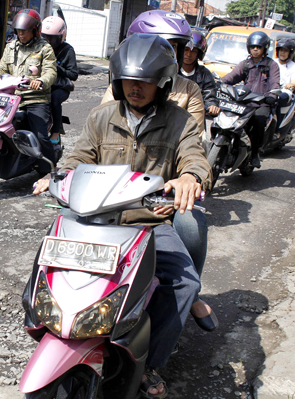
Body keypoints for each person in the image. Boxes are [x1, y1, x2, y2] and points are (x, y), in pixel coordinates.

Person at [34, 33, 212, 399]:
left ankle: (150, 362)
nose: (136, 88)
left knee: (183, 285)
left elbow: (195, 157)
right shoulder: (101, 117)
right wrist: (58, 176)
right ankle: (53, 331)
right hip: (94, 220)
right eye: (130, 80)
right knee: (45, 267)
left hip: (148, 223)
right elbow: (78, 158)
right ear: (117, 80)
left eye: (146, 81)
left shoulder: (180, 122)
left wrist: (190, 178)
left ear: (162, 83)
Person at [100, 10, 216, 333]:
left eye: (172, 47)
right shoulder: (120, 91)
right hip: (113, 197)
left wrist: (188, 178)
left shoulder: (188, 93)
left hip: (160, 199)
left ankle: (187, 290)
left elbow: (193, 148)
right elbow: (95, 140)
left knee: (191, 225)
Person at [0, 9, 57, 173]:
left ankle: (49, 171)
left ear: (35, 30)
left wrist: (40, 81)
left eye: (25, 31)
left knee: (40, 134)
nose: (21, 34)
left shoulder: (44, 48)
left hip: (36, 98)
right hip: (11, 96)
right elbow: (1, 67)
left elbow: (50, 72)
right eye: (19, 31)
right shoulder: (11, 46)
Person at [101, 10, 206, 134]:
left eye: (174, 47)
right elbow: (101, 128)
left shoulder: (189, 90)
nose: (169, 53)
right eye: (161, 47)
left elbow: (194, 139)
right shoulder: (120, 86)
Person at [221, 31, 280, 168]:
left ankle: (255, 152)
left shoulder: (272, 65)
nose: (255, 49)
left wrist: (272, 96)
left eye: (258, 47)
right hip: (244, 101)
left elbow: (275, 82)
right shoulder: (245, 64)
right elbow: (232, 76)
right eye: (253, 47)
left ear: (264, 48)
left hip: (262, 103)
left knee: (259, 121)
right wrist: (218, 83)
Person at [41, 16, 78, 148]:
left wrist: (57, 68)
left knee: (54, 99)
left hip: (59, 87)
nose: (49, 42)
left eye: (52, 38)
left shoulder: (67, 50)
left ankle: (55, 132)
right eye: (45, 37)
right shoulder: (39, 47)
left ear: (62, 36)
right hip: (42, 84)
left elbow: (73, 74)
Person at [180, 31, 220, 117]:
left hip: (194, 117)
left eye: (193, 51)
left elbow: (210, 95)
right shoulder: (171, 70)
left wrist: (212, 105)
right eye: (186, 50)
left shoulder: (204, 74)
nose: (188, 54)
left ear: (198, 53)